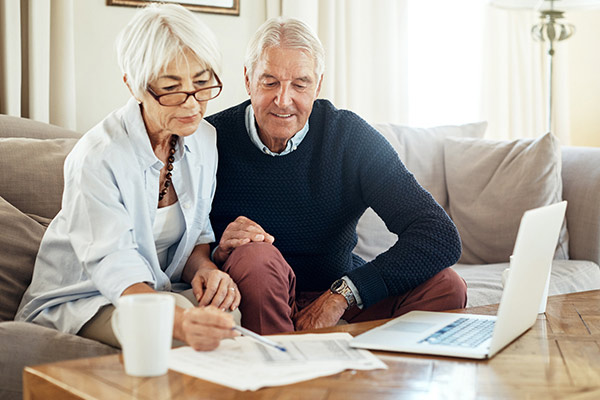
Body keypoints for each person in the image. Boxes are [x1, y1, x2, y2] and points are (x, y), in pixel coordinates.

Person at [206, 17, 467, 335]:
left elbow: (439, 235)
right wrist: (218, 250)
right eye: (270, 82)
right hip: (256, 286)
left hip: (336, 288)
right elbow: (173, 245)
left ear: (318, 85)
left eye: (300, 84)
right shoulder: (209, 138)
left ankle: (369, 375)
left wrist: (341, 295)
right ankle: (281, 373)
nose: (284, 100)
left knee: (447, 285)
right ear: (248, 80)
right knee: (257, 259)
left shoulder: (349, 136)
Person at [16, 3, 240, 351]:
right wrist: (179, 321)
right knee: (170, 329)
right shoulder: (97, 157)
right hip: (86, 298)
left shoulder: (204, 140)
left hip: (157, 290)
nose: (192, 104)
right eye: (172, 88)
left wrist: (205, 271)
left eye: (201, 83)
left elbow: (196, 237)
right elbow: (114, 268)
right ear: (134, 86)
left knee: (228, 317)